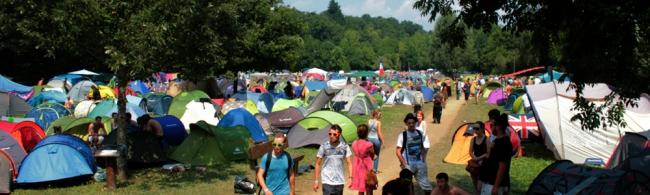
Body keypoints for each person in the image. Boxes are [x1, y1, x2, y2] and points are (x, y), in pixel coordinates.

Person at [396, 113, 432, 195]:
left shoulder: (420, 133)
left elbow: (423, 147)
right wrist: (403, 163)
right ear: (406, 123)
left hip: (420, 164)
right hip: (408, 165)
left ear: (415, 122)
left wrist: (423, 159)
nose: (411, 125)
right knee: (408, 186)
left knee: (426, 185)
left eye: (413, 123)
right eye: (409, 123)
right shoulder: (402, 135)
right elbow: (398, 151)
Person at [313, 125, 353, 195]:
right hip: (327, 181)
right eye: (330, 134)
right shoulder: (324, 146)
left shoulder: (345, 146)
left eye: (334, 134)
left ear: (339, 134)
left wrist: (350, 178)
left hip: (339, 181)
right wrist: (316, 180)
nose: (332, 136)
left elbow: (349, 163)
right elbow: (317, 163)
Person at [479, 114, 512, 195]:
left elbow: (502, 166)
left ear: (498, 127)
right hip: (491, 182)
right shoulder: (499, 141)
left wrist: (496, 186)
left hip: (493, 184)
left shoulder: (503, 144)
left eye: (492, 125)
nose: (491, 127)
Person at [351, 124, 376, 194]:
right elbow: (372, 155)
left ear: (358, 133)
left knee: (361, 189)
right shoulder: (369, 144)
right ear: (367, 133)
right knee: (369, 186)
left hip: (358, 167)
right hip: (366, 167)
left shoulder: (354, 143)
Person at [467, 121, 488, 192]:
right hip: (475, 164)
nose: (475, 130)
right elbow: (470, 151)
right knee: (475, 182)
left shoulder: (487, 139)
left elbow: (488, 153)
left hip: (484, 164)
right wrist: (474, 158)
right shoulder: (473, 139)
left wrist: (478, 158)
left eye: (477, 128)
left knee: (480, 186)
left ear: (482, 129)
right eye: (474, 128)